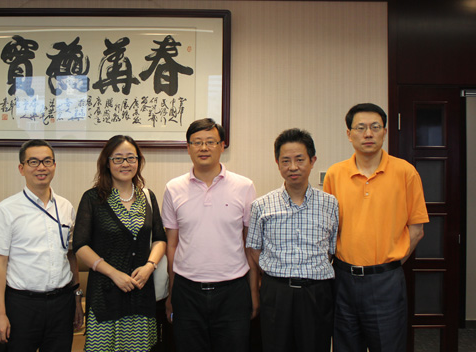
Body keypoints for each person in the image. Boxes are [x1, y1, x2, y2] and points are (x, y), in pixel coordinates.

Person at [324, 103, 428, 352]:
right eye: (360, 128)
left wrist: (389, 266)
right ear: (349, 134)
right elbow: (326, 229)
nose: (368, 134)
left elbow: (417, 230)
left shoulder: (406, 172)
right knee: (345, 346)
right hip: (343, 279)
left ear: (385, 132)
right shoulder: (335, 175)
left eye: (375, 127)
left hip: (386, 281)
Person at [162, 118, 259, 352]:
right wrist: (172, 292)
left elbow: (250, 245)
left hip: (233, 291)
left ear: (222, 146)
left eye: (210, 142)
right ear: (188, 147)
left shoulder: (244, 186)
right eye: (197, 142)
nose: (203, 148)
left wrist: (253, 291)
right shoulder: (173, 188)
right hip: (187, 290)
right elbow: (171, 245)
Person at [0, 139, 84, 351]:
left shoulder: (66, 207)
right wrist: (0, 314)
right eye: (33, 162)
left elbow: (70, 255)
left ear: (54, 166)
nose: (41, 167)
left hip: (62, 303)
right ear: (21, 168)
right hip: (22, 305)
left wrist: (77, 298)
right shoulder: (6, 209)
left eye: (47, 161)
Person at [246, 128, 339, 352]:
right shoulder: (261, 205)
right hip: (276, 292)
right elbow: (254, 250)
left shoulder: (330, 203)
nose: (293, 167)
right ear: (277, 163)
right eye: (286, 161)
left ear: (312, 161)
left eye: (300, 159)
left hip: (316, 292)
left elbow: (330, 249)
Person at [73, 135, 167, 352]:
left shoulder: (147, 196)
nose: (125, 164)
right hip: (105, 294)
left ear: (138, 162)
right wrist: (114, 274)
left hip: (141, 292)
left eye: (131, 158)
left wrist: (149, 266)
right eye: (118, 158)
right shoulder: (93, 198)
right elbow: (80, 245)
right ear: (107, 162)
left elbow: (160, 238)